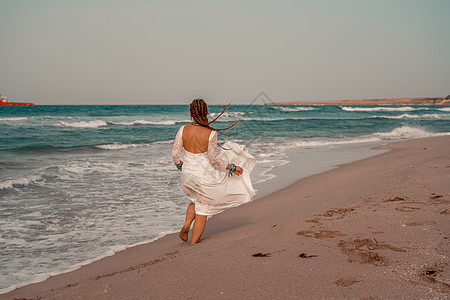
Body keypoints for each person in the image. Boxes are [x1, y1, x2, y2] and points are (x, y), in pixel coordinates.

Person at [172, 99, 255, 245]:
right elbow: (214, 161)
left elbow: (174, 154)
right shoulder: (210, 134)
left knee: (195, 200)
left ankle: (186, 225)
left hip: (187, 176)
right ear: (206, 113)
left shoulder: (182, 130)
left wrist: (180, 166)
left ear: (190, 112)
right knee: (203, 209)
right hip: (204, 177)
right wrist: (232, 167)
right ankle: (193, 245)